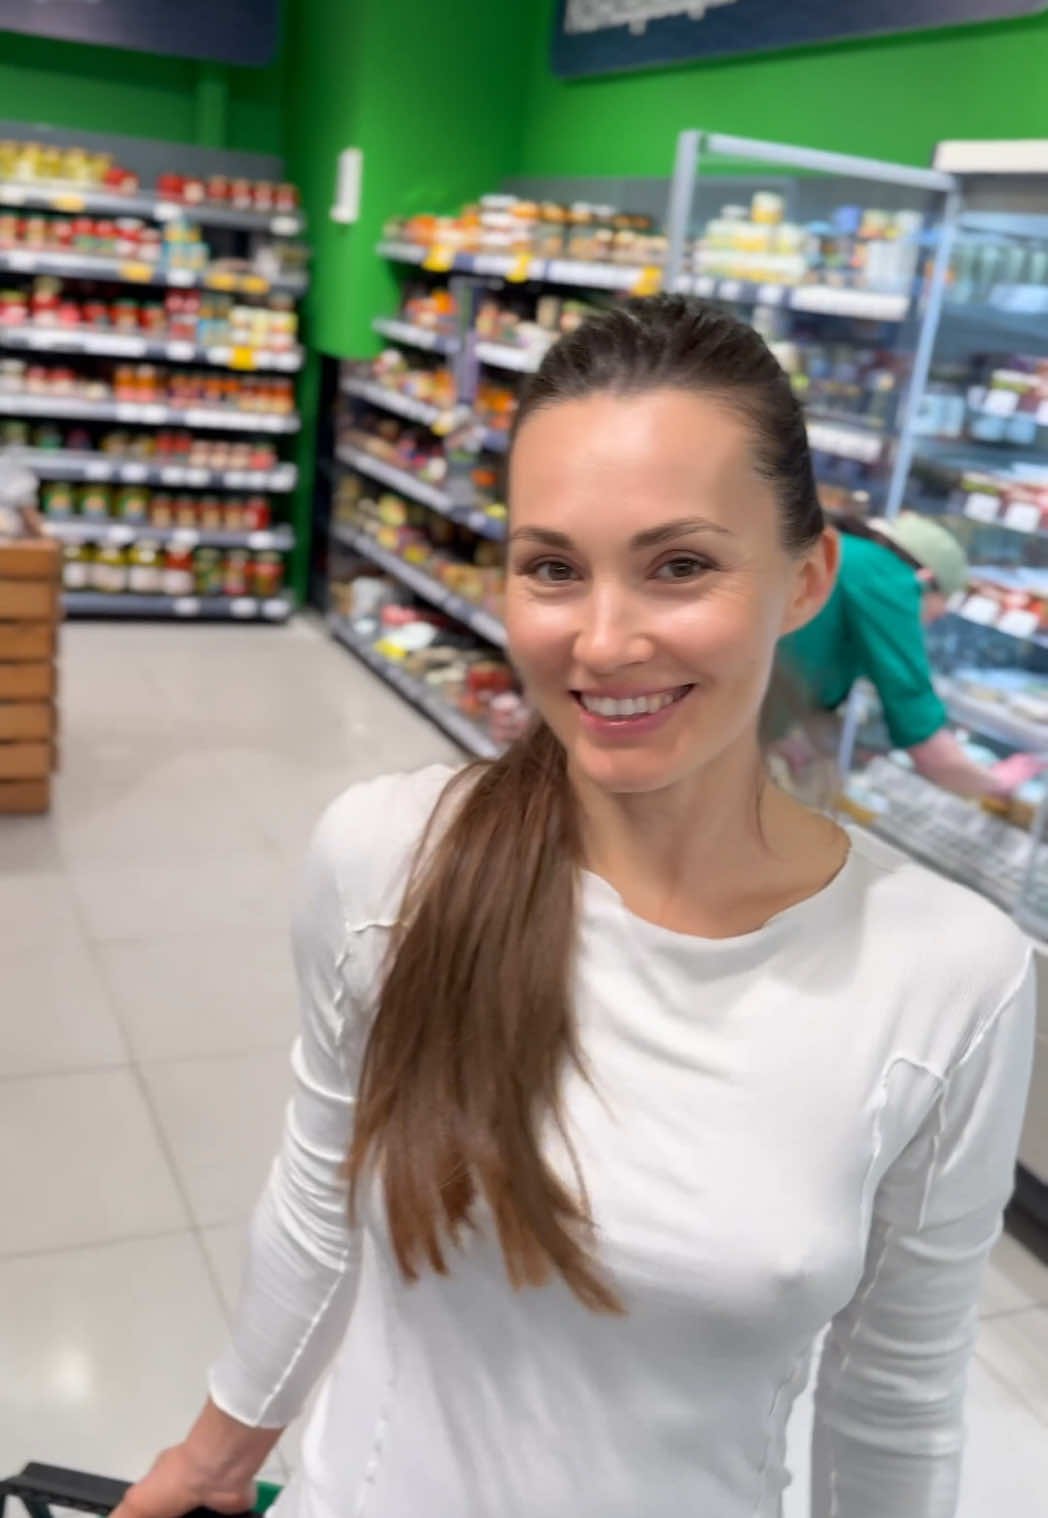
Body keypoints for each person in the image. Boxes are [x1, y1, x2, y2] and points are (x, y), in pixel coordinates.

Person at [116, 296, 1034, 1518]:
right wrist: (212, 1459)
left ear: (805, 578)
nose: (601, 643)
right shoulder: (390, 863)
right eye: (552, 568)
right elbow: (319, 1201)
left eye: (680, 566)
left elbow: (894, 1401)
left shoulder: (948, 974)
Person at [779, 509, 1010, 799]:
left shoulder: (845, 551)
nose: (923, 625)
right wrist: (1000, 788)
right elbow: (926, 742)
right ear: (924, 579)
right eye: (933, 614)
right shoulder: (887, 578)